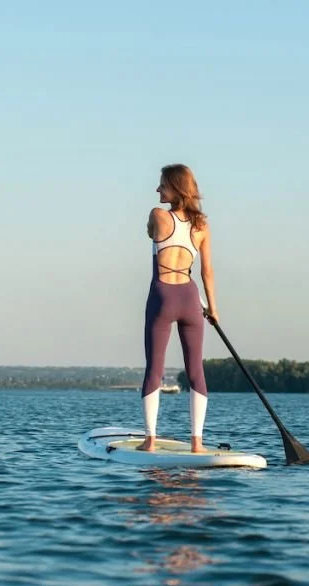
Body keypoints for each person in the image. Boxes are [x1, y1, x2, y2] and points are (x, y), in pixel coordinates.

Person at [138, 164, 218, 453]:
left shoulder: (157, 215)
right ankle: (197, 443)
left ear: (176, 188)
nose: (158, 190)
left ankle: (150, 441)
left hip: (162, 296)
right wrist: (213, 309)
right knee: (196, 370)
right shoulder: (202, 226)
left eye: (162, 185)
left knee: (154, 369)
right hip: (191, 298)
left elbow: (150, 234)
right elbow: (207, 272)